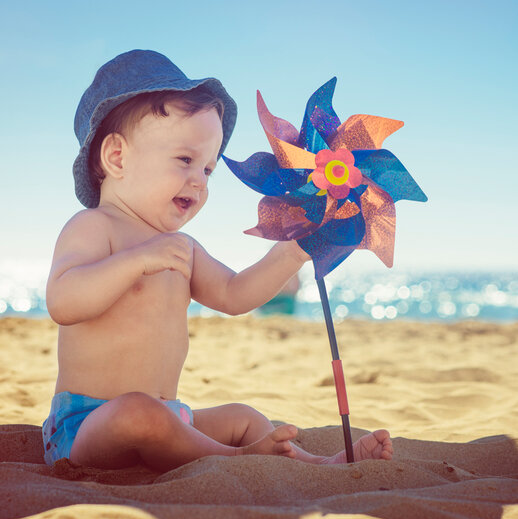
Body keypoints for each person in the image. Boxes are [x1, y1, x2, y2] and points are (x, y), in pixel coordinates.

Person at [42, 50, 393, 471]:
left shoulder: (183, 248)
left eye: (208, 169)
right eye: (185, 160)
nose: (199, 180)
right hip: (88, 424)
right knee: (137, 412)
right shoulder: (94, 227)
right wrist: (136, 261)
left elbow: (234, 294)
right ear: (117, 158)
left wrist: (293, 251)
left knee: (242, 417)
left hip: (170, 415)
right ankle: (235, 460)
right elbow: (64, 302)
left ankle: (316, 464)